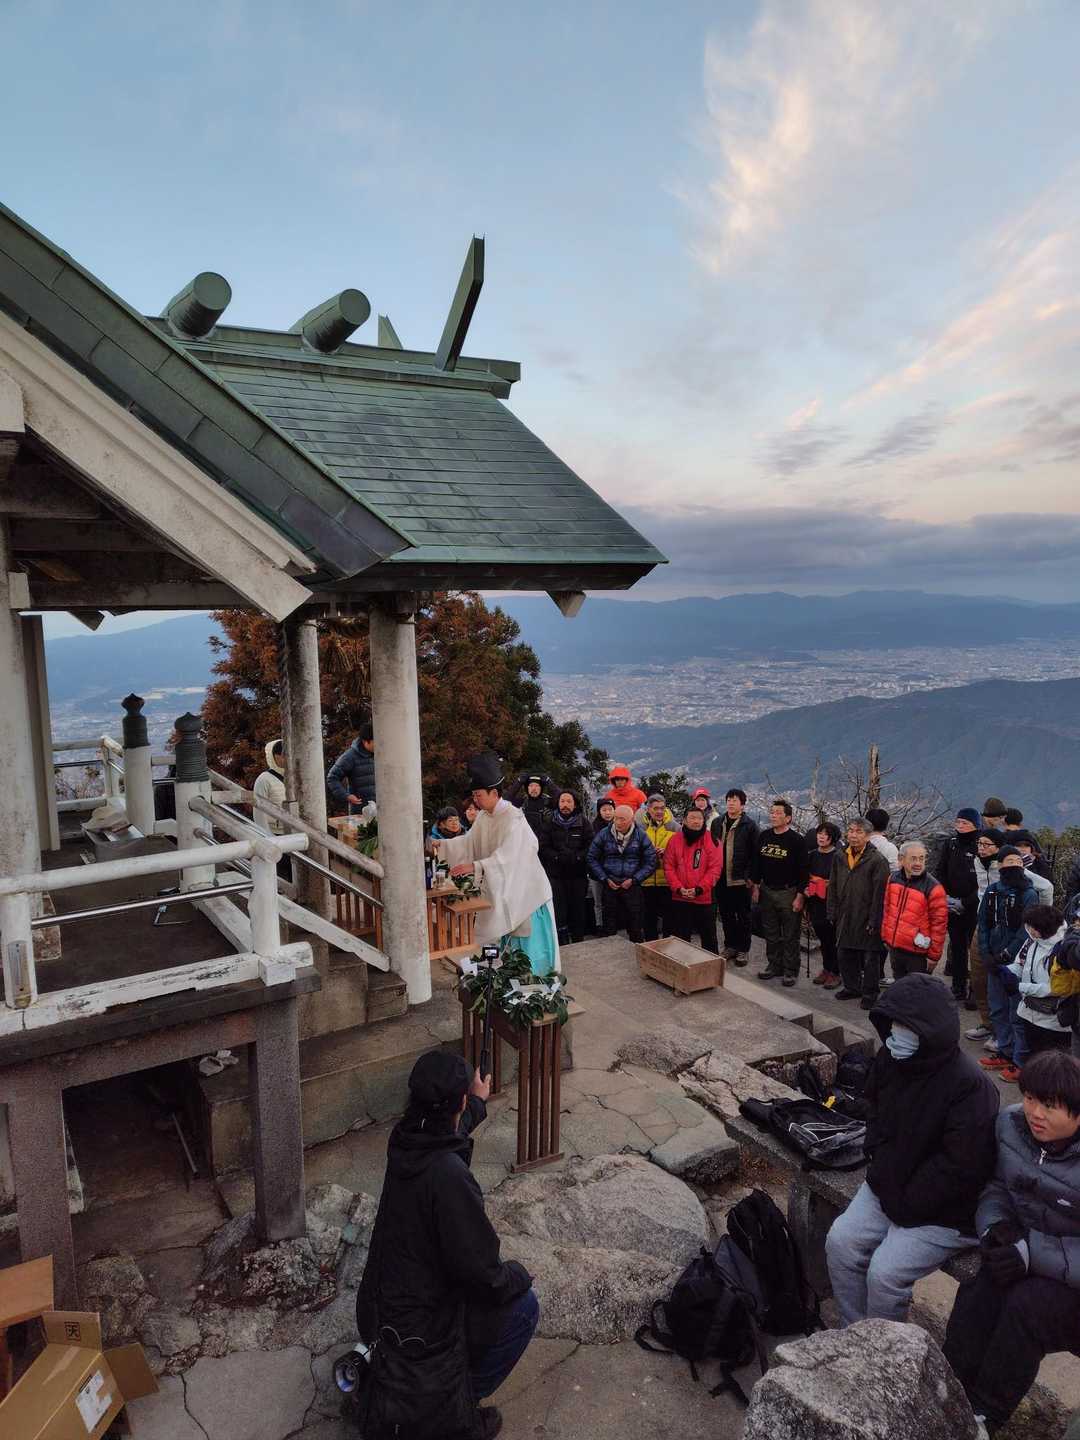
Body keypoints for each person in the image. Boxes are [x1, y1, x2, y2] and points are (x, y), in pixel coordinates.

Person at [356, 1051, 538, 1440]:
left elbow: (448, 1129)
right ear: (456, 1103)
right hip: (421, 1334)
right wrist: (520, 1275)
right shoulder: (449, 1176)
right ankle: (453, 1408)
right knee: (524, 1307)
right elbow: (483, 1274)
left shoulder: (403, 1138)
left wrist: (476, 1103)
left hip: (379, 1311)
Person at [825, 975, 999, 1327]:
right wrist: (877, 1160)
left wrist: (903, 1204)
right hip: (890, 1183)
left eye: (907, 1026)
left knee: (885, 1274)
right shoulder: (890, 1058)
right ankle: (853, 1333)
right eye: (893, 1023)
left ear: (933, 1032)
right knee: (840, 1243)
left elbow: (961, 1168)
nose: (896, 1033)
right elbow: (873, 1111)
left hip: (946, 1211)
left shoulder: (972, 1087)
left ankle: (888, 1349)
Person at [943, 1051, 1080, 1438]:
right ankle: (945, 1386)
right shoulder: (1011, 1125)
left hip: (1069, 1284)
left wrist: (1029, 1253)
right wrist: (997, 1228)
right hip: (1030, 1252)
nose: (1035, 1112)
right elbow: (998, 1186)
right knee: (982, 1285)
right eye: (1031, 1098)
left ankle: (984, 1416)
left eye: (1050, 1106)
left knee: (1028, 1306)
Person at [432, 752, 559, 977]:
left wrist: (477, 866)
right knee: (498, 943)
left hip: (526, 895)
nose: (476, 800)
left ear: (494, 793)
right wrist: (440, 845)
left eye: (479, 795)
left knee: (529, 950)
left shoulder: (513, 817)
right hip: (501, 890)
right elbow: (469, 843)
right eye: (474, 795)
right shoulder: (484, 817)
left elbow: (512, 855)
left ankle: (535, 984)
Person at [978, 847, 1039, 1082]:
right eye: (1009, 860)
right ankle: (1004, 1050)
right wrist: (986, 953)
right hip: (993, 959)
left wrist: (1006, 954)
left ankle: (1019, 1059)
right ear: (1001, 865)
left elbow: (1026, 930)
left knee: (1017, 1012)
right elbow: (983, 923)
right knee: (997, 1007)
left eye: (1017, 861)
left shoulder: (1029, 894)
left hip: (1017, 963)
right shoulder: (993, 891)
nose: (1014, 865)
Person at [828, 817, 890, 1009]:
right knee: (844, 953)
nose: (853, 835)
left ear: (868, 836)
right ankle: (852, 987)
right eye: (851, 831)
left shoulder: (877, 860)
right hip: (845, 912)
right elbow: (833, 884)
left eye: (859, 832)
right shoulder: (840, 856)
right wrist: (831, 910)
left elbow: (880, 894)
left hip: (867, 914)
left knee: (870, 958)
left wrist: (874, 919)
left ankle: (870, 993)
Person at [750, 798, 809, 988]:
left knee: (790, 933)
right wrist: (755, 886)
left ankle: (790, 970)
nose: (773, 816)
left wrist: (800, 896)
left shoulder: (797, 840)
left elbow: (803, 871)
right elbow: (756, 863)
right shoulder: (764, 836)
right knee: (771, 932)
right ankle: (774, 965)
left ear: (788, 818)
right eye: (772, 812)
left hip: (788, 891)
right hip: (767, 889)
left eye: (778, 813)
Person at [586, 804, 657, 944]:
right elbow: (591, 857)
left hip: (632, 885)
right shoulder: (604, 834)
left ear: (631, 820)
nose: (618, 822)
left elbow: (651, 861)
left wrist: (635, 879)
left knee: (635, 924)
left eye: (622, 819)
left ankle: (637, 948)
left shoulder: (641, 835)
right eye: (616, 818)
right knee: (609, 924)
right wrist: (604, 878)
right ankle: (611, 950)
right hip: (610, 884)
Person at [934, 808, 982, 1007]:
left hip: (974, 907)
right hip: (951, 904)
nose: (960, 826)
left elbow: (983, 882)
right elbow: (941, 870)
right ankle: (958, 986)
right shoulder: (951, 843)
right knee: (957, 947)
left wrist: (966, 902)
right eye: (958, 822)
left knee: (975, 951)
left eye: (965, 823)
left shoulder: (980, 845)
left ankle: (975, 990)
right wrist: (945, 896)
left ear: (975, 825)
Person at [880, 841, 949, 980]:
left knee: (917, 988)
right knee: (899, 984)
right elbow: (887, 909)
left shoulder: (934, 887)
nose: (918, 863)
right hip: (895, 947)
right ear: (901, 859)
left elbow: (939, 925)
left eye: (921, 858)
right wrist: (885, 936)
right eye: (913, 858)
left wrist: (934, 956)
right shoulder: (893, 878)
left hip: (918, 952)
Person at [1010, 904, 1070, 1060]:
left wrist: (1020, 986)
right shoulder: (1032, 940)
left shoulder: (1064, 949)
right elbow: (1020, 964)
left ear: (1046, 929)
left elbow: (1056, 988)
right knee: (1033, 1057)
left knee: (1051, 1063)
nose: (1030, 931)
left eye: (1034, 928)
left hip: (1053, 1022)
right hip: (1029, 1012)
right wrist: (1005, 972)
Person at [711, 788, 760, 967]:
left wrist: (752, 877)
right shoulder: (717, 822)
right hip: (720, 877)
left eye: (735, 800)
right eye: (729, 800)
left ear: (742, 804)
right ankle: (730, 946)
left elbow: (756, 855)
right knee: (726, 914)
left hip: (741, 879)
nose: (731, 803)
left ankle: (743, 949)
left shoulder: (750, 826)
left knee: (744, 916)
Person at [965, 828, 1005, 1044]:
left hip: (1003, 928)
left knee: (999, 980)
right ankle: (987, 1024)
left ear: (998, 847)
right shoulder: (978, 863)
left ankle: (1002, 1032)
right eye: (979, 844)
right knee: (978, 976)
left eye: (986, 844)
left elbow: (1044, 886)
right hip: (982, 925)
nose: (981, 848)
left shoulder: (1006, 864)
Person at [663, 807, 722, 953]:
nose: (696, 821)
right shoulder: (674, 840)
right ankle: (683, 964)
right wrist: (678, 888)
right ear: (684, 820)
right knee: (681, 938)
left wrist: (699, 889)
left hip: (704, 898)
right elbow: (669, 867)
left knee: (709, 938)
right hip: (680, 897)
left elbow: (715, 869)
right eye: (692, 818)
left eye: (700, 818)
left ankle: (711, 965)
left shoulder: (712, 840)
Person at [538, 790, 590, 946]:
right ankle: (561, 943)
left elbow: (590, 845)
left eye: (569, 801)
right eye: (562, 801)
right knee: (559, 911)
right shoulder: (549, 823)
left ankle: (578, 941)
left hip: (578, 875)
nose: (565, 805)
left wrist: (578, 857)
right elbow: (542, 847)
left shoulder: (583, 822)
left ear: (575, 804)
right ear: (558, 803)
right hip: (556, 876)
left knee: (578, 911)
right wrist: (556, 857)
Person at [806, 821, 841, 989]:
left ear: (833, 838)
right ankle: (826, 968)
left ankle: (836, 971)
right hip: (814, 901)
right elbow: (804, 875)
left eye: (826, 834)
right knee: (823, 937)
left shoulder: (838, 857)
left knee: (832, 938)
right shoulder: (812, 855)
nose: (822, 837)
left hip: (831, 903)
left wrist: (825, 883)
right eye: (820, 833)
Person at [640, 793, 678, 942]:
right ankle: (651, 947)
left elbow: (681, 853)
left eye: (662, 808)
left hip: (667, 881)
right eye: (656, 808)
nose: (659, 811)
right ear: (648, 809)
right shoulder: (640, 828)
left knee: (670, 918)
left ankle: (668, 947)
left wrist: (666, 852)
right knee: (648, 918)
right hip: (646, 881)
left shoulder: (675, 827)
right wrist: (648, 852)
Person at [327, 722, 377, 812]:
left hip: (384, 812)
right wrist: (346, 796)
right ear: (365, 741)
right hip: (360, 812)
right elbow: (332, 778)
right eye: (375, 742)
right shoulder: (349, 757)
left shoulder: (383, 754)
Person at [587, 798, 616, 933]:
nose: (607, 813)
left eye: (610, 809)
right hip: (596, 871)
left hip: (614, 871)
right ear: (599, 811)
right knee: (598, 901)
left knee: (611, 901)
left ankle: (612, 924)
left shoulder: (619, 825)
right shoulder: (593, 828)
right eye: (604, 810)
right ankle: (599, 925)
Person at [508, 774, 558, 842]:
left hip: (544, 843)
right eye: (531, 786)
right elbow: (506, 800)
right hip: (524, 841)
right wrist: (518, 782)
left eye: (537, 786)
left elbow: (562, 797)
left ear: (541, 788)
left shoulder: (548, 801)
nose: (534, 789)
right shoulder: (522, 802)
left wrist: (550, 783)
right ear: (527, 788)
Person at [1009, 830, 1055, 903]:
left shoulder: (1040, 865)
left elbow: (1048, 888)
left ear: (1031, 848)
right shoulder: (1006, 864)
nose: (1023, 849)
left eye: (1026, 845)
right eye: (1019, 845)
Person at [253, 738, 287, 832]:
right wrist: (267, 836)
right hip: (275, 833)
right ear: (274, 756)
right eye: (283, 755)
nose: (287, 758)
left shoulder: (294, 777)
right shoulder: (264, 779)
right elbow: (259, 813)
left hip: (297, 831)